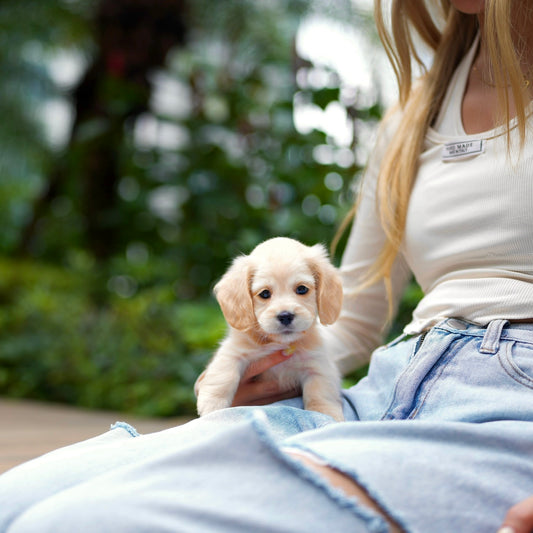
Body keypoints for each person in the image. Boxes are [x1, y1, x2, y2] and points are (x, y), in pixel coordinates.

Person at [1, 0, 533, 531]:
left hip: (508, 406)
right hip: (382, 389)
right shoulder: (414, 115)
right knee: (15, 501)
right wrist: (270, 365)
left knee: (78, 522)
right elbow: (352, 313)